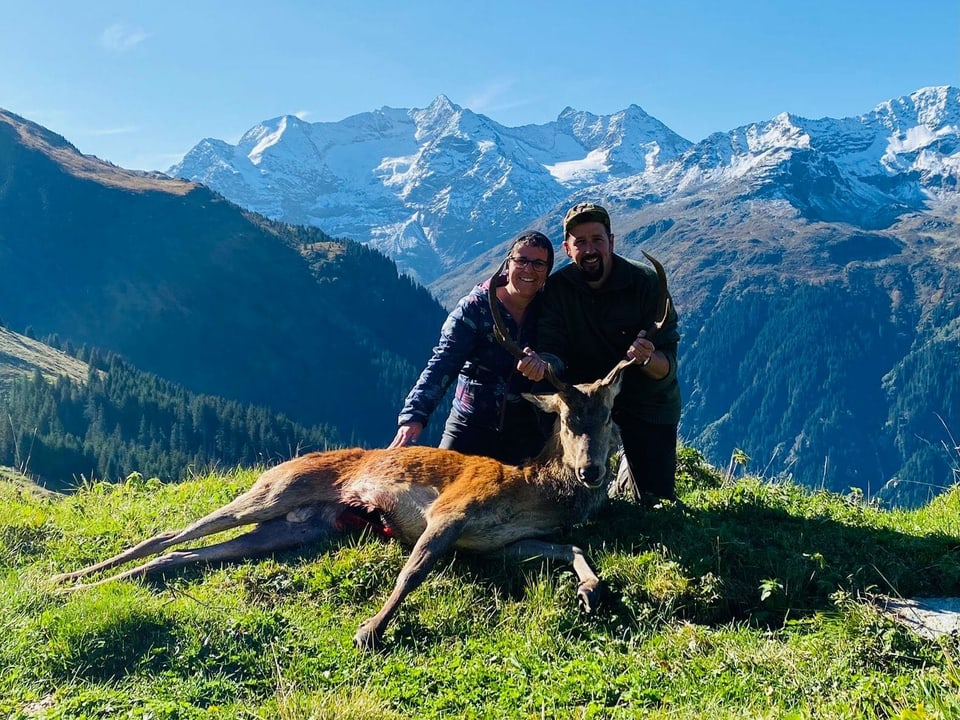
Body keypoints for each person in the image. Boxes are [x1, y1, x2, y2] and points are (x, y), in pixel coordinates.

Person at [517, 202, 681, 503]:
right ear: (568, 248)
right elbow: (552, 348)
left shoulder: (646, 283)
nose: (589, 249)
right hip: (585, 404)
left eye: (597, 240)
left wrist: (646, 358)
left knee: (655, 501)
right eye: (580, 242)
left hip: (645, 401)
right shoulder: (558, 289)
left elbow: (667, 365)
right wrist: (544, 365)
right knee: (541, 392)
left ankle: (625, 469)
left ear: (612, 242)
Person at [388, 231, 555, 465]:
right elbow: (443, 362)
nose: (529, 270)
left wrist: (546, 364)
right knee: (442, 491)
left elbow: (563, 355)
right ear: (508, 263)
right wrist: (414, 415)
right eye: (522, 261)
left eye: (538, 264)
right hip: (469, 425)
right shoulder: (475, 307)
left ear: (547, 271)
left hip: (526, 432)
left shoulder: (551, 310)